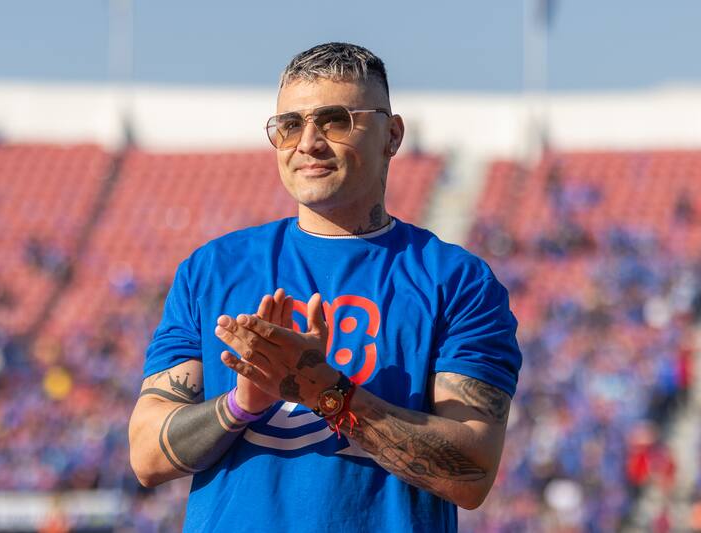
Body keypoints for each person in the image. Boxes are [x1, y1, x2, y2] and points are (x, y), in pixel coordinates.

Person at [128, 42, 522, 532]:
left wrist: (325, 392)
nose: (307, 142)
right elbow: (147, 456)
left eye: (335, 120)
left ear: (392, 135)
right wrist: (242, 403)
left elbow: (472, 472)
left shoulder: (456, 281)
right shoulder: (212, 269)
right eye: (289, 125)